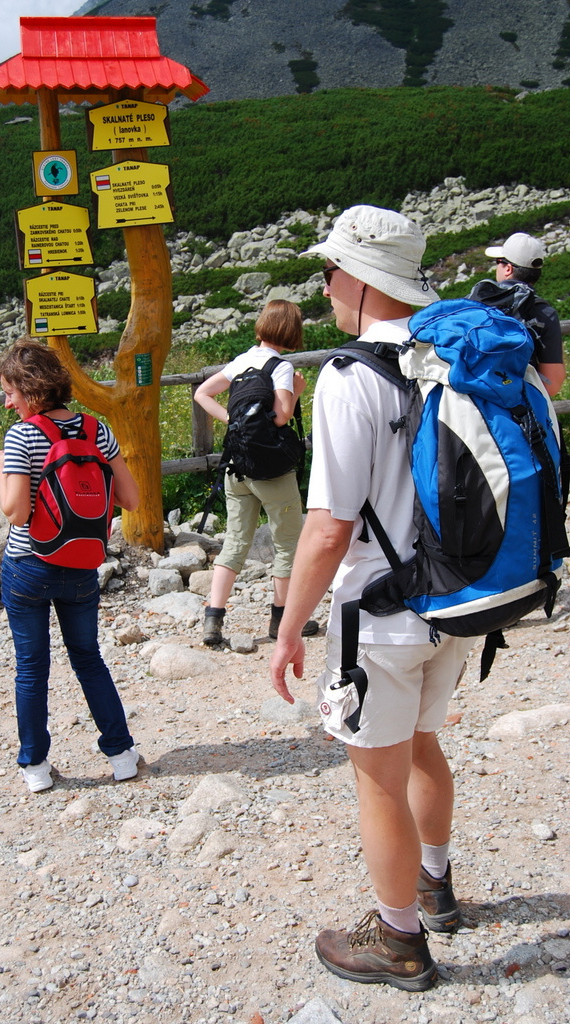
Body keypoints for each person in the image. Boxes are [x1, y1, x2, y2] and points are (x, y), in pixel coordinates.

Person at [270, 206, 473, 991]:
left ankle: (399, 942)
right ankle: (437, 886)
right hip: (453, 601)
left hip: (379, 616)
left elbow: (328, 528)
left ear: (355, 280)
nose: (325, 288)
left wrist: (289, 628)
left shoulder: (350, 378)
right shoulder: (451, 357)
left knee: (377, 775)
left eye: (329, 274)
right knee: (422, 746)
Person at [0, 339, 140, 794]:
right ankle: (121, 757)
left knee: (32, 668)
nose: (7, 401)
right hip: (80, 565)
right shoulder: (96, 430)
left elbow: (15, 512)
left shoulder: (22, 436)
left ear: (30, 389)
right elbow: (131, 499)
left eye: (10, 392)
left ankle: (35, 768)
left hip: (28, 564)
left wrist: (1, 469)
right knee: (89, 659)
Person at [193, 299, 319, 646]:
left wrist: (232, 421)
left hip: (238, 464)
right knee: (287, 544)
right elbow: (280, 416)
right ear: (291, 331)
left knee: (234, 541)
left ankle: (213, 621)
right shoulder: (280, 366)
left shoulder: (242, 361)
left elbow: (203, 393)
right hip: (271, 471)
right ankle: (282, 623)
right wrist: (296, 391)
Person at [476, 231, 565, 396]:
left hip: (472, 401)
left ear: (508, 268)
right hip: (519, 407)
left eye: (498, 262)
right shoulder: (545, 313)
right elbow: (552, 383)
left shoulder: (476, 301)